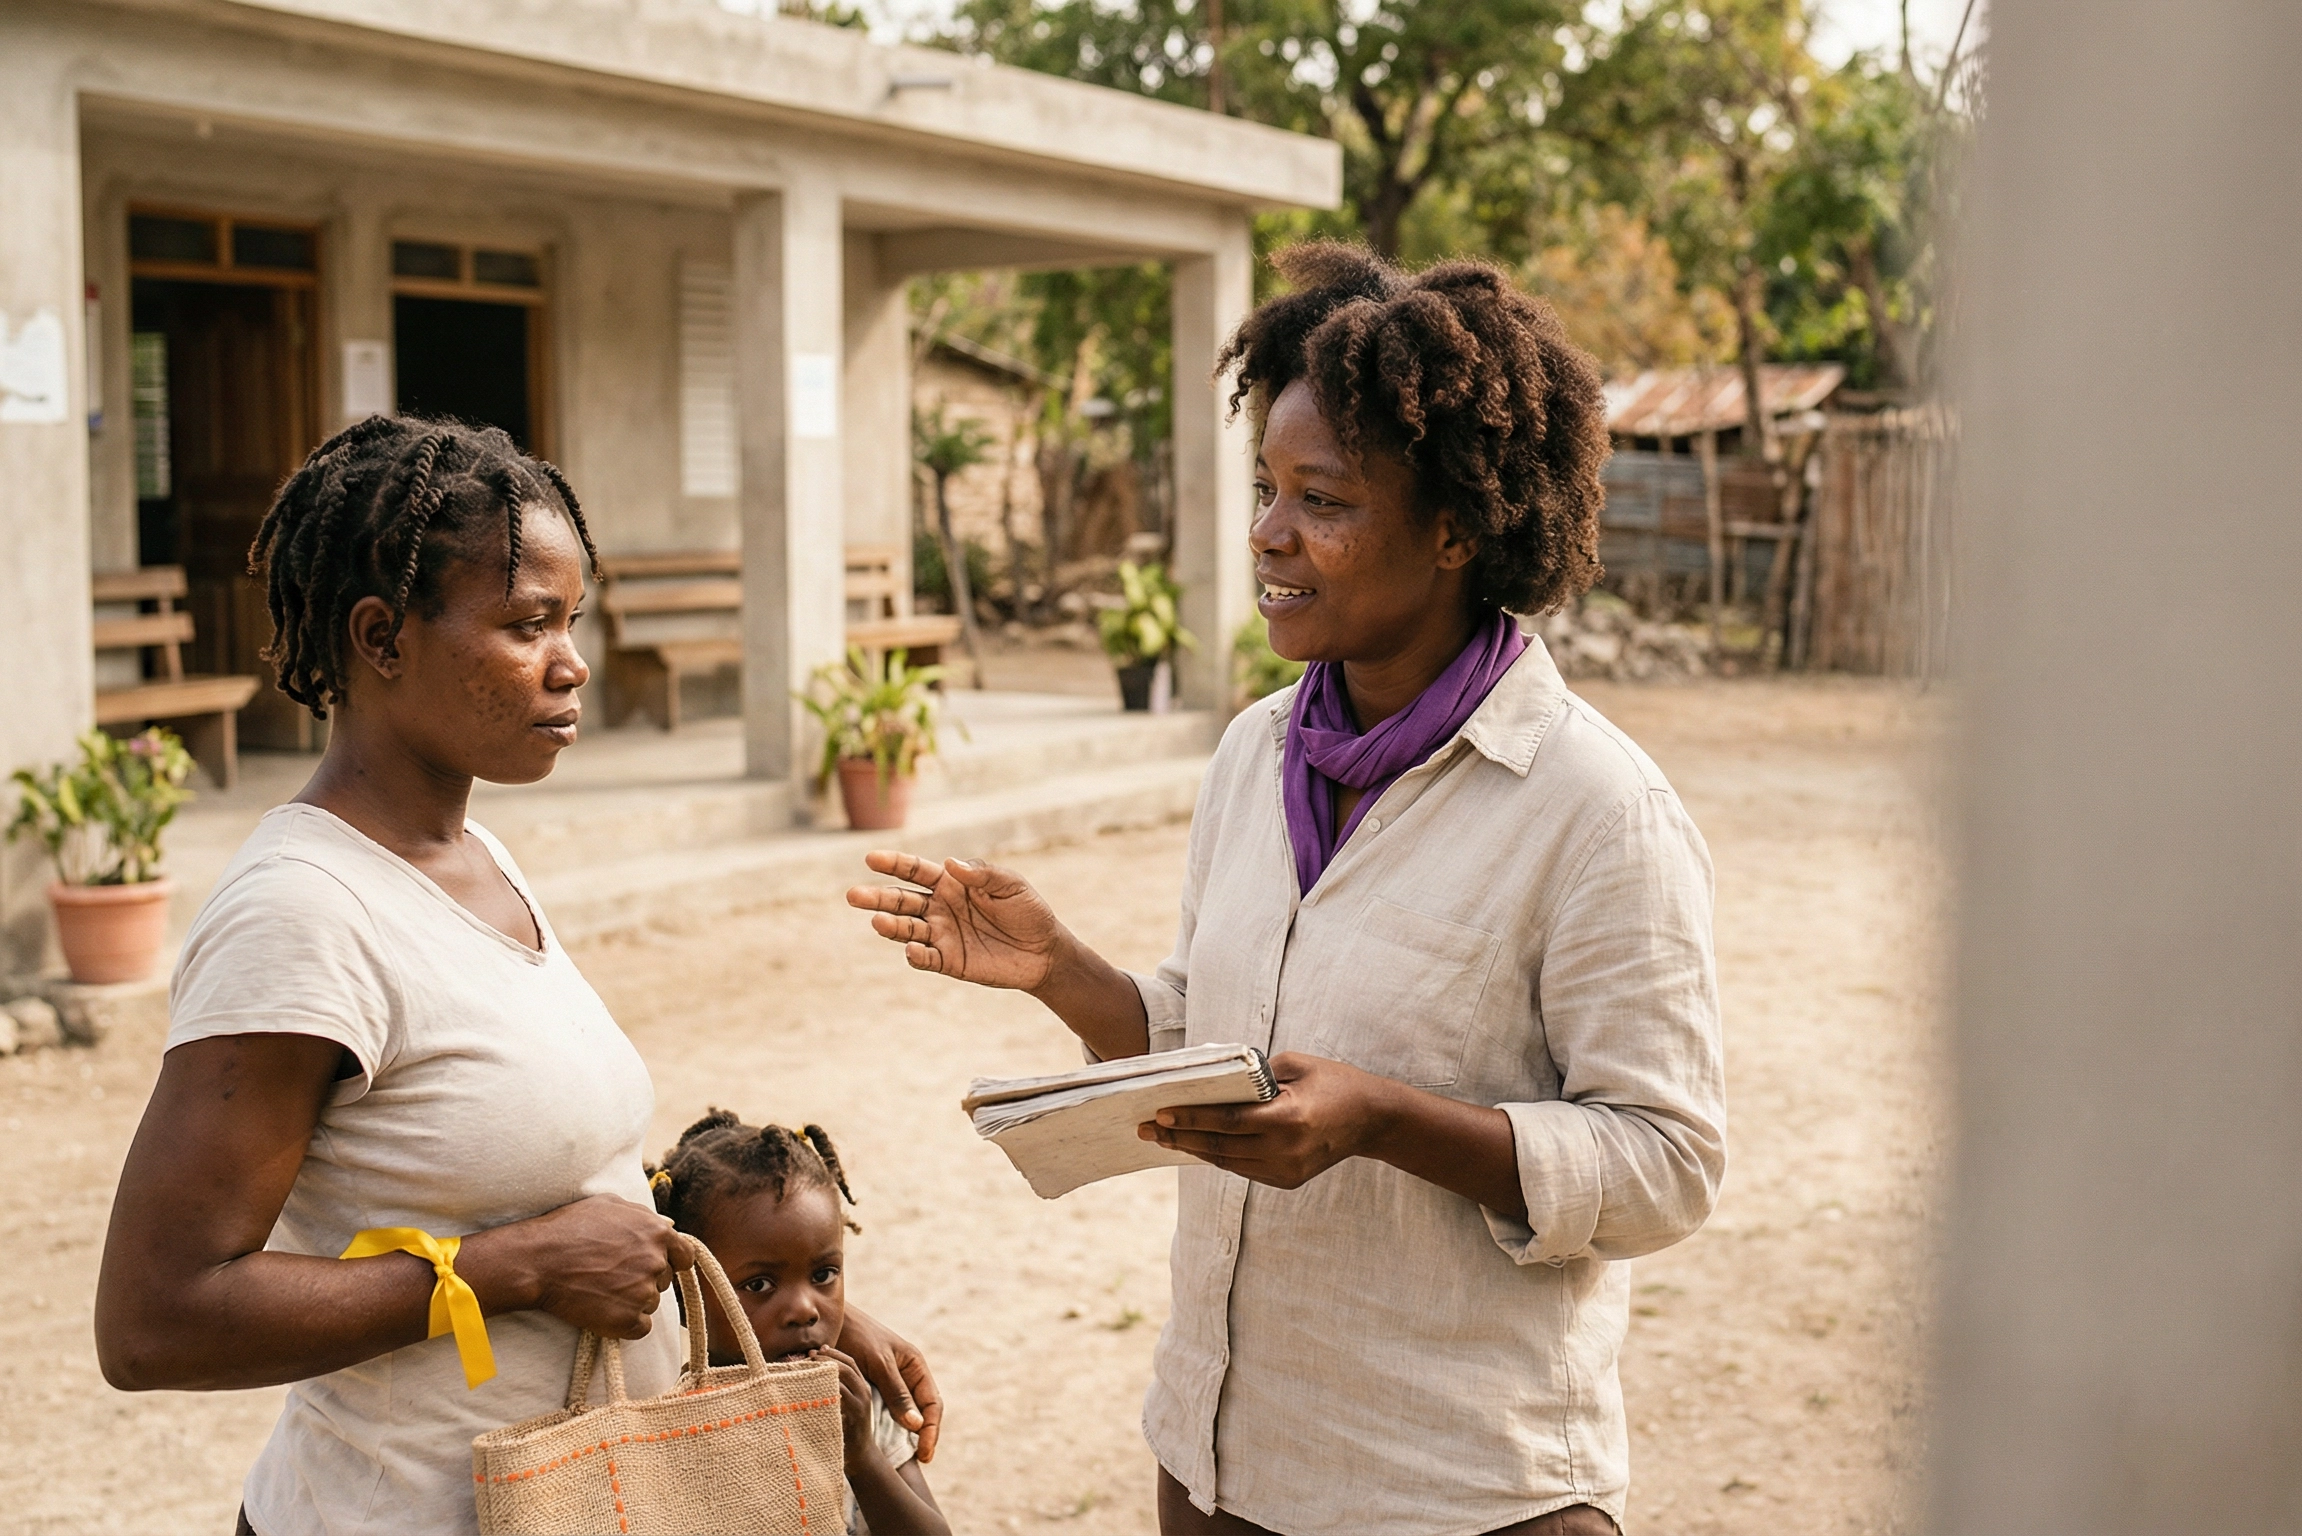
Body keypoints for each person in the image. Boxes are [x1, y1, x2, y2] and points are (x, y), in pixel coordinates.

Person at [849, 244, 1726, 1536]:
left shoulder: (1595, 810)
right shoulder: (1256, 753)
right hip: (1220, 1467)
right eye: (1267, 487)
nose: (1268, 532)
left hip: (1455, 1495)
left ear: (1452, 529)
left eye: (1321, 497)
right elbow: (1216, 1041)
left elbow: (1668, 1162)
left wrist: (1382, 1120)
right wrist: (1061, 970)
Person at [93, 416, 940, 1536]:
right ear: (381, 637)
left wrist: (783, 1310)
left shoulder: (475, 857)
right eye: (527, 622)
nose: (571, 660)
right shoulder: (302, 913)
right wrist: (510, 1271)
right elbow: (156, 1320)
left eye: (572, 620)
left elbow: (546, 1176)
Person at [647, 1110, 951, 1536]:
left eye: (823, 1275)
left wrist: (862, 1457)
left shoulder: (856, 1399)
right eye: (759, 1284)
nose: (804, 1309)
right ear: (685, 1294)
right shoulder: (676, 1423)